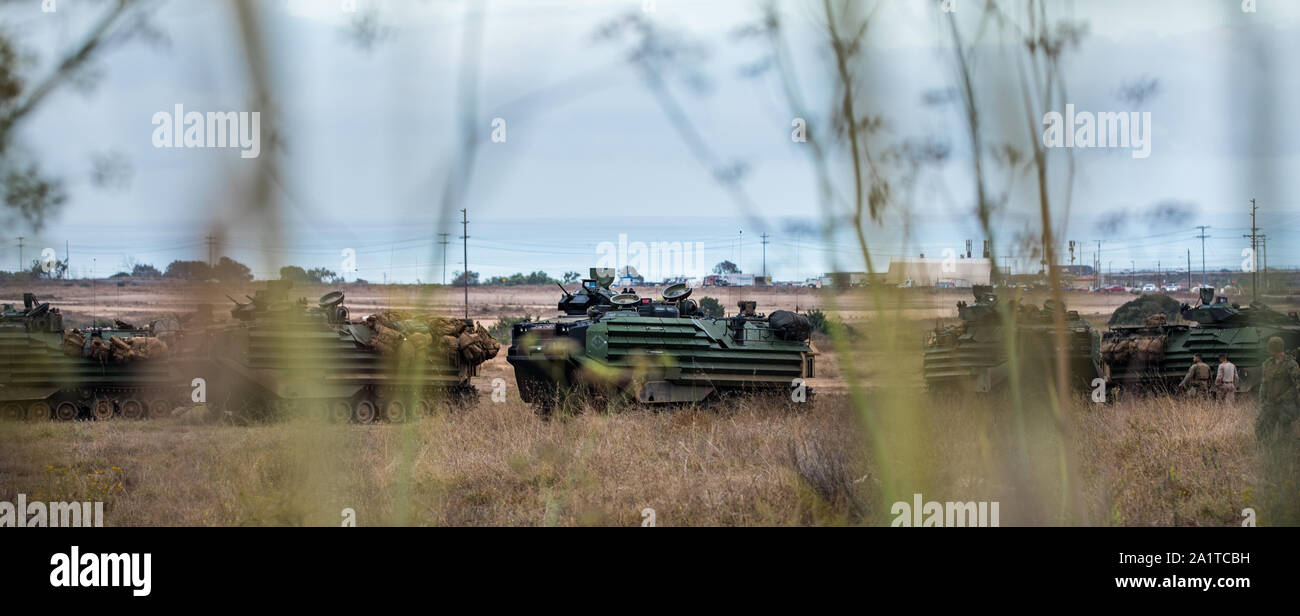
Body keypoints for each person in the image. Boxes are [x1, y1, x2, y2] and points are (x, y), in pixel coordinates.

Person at [1256, 336, 1299, 440]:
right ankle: (1264, 452)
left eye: (1269, 348)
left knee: (1284, 435)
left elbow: (1296, 386)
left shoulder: (1291, 364)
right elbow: (1264, 382)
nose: (1267, 350)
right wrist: (1262, 399)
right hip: (1269, 404)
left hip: (1284, 406)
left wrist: (1283, 398)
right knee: (1261, 430)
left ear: (1275, 349)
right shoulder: (1267, 364)